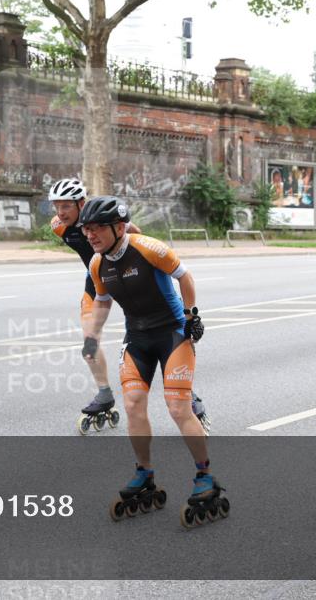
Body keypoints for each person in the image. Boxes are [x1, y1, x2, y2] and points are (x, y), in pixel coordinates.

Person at [78, 196, 227, 528]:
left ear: (118, 227)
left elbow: (185, 278)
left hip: (172, 335)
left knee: (177, 408)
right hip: (138, 339)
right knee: (132, 405)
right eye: (86, 230)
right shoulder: (97, 264)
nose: (90, 235)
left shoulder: (149, 248)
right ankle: (144, 474)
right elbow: (102, 303)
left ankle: (205, 475)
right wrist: (93, 336)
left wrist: (190, 316)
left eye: (96, 228)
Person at [47, 178, 209, 435]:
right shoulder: (58, 226)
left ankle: (185, 392)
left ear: (81, 203)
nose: (60, 213)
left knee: (165, 334)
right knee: (89, 344)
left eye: (66, 206)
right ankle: (104, 395)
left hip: (125, 276)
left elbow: (138, 241)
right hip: (97, 282)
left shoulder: (112, 221)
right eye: (56, 206)